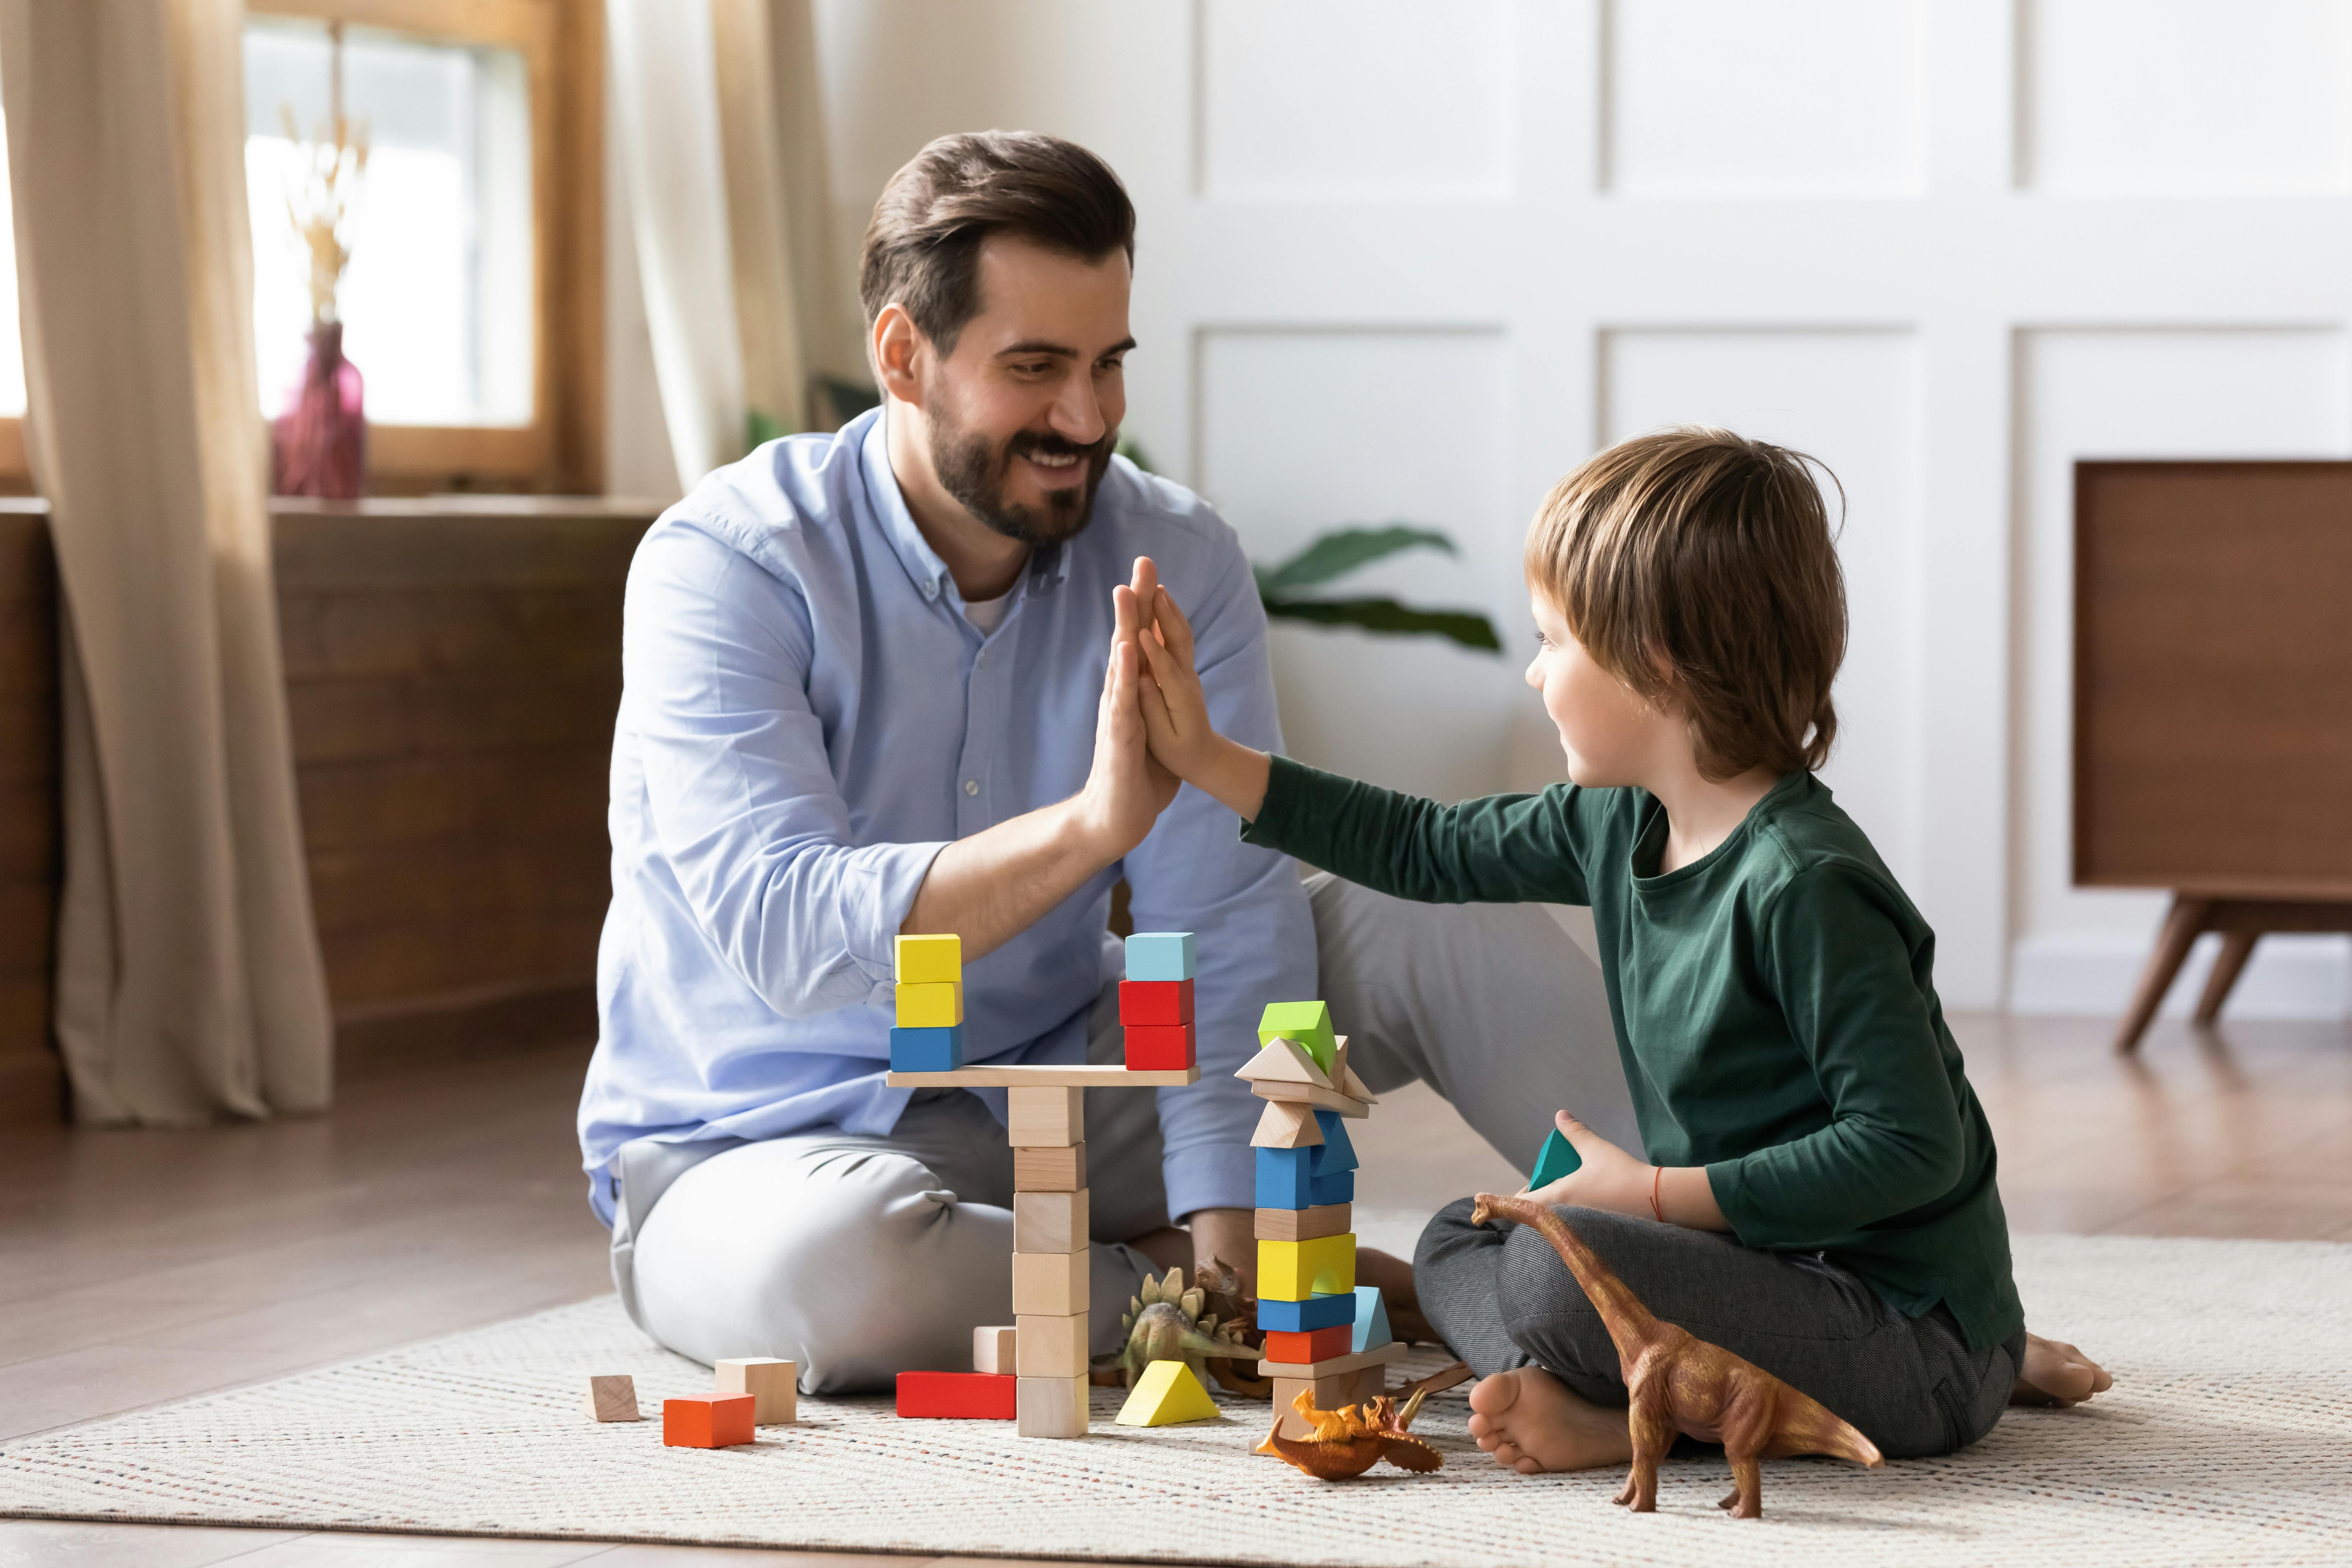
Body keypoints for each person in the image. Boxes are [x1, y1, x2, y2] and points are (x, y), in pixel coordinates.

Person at [1119, 425, 2111, 1469]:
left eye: (1554, 641)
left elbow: (1909, 1150)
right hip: (1751, 1270)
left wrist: (1645, 1196)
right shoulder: (1613, 822)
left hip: (1903, 1328)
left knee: (1557, 1271)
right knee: (1468, 1235)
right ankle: (1594, 1385)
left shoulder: (1808, 886)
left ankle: (1669, 1415)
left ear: (1656, 664)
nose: (1534, 674)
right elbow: (1418, 845)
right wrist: (1205, 757)